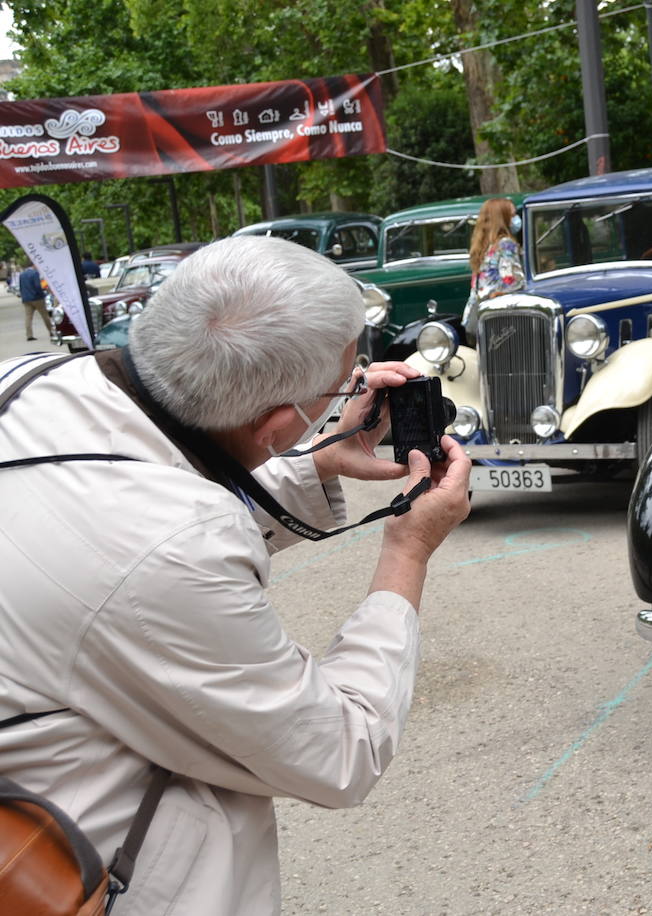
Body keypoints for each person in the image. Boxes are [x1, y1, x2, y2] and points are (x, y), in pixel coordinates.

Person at [0, 236, 471, 914]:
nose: (352, 388)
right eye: (346, 378)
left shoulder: (32, 384)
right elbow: (341, 753)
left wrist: (320, 460)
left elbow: (123, 524)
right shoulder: (174, 545)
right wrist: (407, 552)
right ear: (279, 421)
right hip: (105, 879)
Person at [462, 196, 524, 339]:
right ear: (503, 218)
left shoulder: (481, 247)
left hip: (475, 315)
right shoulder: (506, 244)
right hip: (498, 317)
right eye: (513, 215)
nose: (516, 220)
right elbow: (513, 282)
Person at [17, 261, 51, 341]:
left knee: (28, 317)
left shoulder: (22, 274)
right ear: (34, 265)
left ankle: (29, 335)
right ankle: (51, 331)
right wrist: (42, 294)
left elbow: (21, 286)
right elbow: (37, 286)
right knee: (45, 315)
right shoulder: (35, 273)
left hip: (26, 299)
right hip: (37, 298)